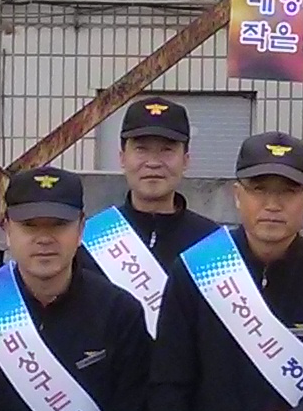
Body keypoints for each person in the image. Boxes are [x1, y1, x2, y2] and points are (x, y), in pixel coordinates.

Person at [148, 131, 303, 411]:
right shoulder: (195, 271)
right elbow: (169, 381)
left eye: (288, 191)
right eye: (259, 189)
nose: (272, 205)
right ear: (238, 195)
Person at [0, 164, 151, 411]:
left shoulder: (120, 313)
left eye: (58, 224)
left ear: (81, 229)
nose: (44, 239)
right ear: (7, 228)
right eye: (30, 225)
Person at [84, 94, 216, 332]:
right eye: (141, 150)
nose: (153, 163)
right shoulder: (89, 242)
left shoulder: (212, 243)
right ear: (122, 157)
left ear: (186, 160)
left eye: (167, 150)